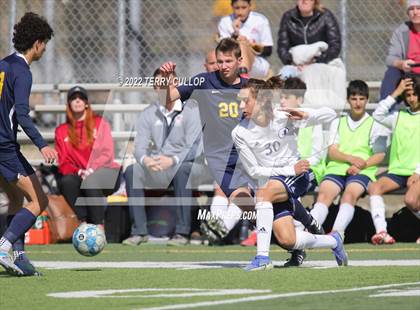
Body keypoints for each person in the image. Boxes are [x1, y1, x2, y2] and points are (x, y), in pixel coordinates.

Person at [232, 78, 347, 270]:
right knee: (288, 240)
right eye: (239, 100)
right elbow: (253, 170)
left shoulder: (283, 116)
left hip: (296, 176)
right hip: (276, 180)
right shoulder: (239, 132)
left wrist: (305, 115)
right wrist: (287, 171)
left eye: (246, 100)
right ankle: (333, 241)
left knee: (263, 193)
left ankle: (262, 259)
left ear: (261, 101)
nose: (241, 105)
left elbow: (330, 114)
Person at [160, 38, 254, 247]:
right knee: (242, 199)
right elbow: (172, 98)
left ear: (239, 61)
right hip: (221, 155)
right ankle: (218, 229)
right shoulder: (204, 81)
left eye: (228, 61)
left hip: (249, 152)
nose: (223, 66)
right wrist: (170, 80)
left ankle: (296, 228)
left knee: (260, 204)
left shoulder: (249, 86)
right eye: (219, 61)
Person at [0, 12, 57, 276]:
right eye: (44, 42)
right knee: (39, 200)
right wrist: (43, 144)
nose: (45, 48)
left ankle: (19, 257)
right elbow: (22, 114)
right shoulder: (23, 72)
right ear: (36, 43)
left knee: (14, 199)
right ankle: (4, 246)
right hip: (4, 147)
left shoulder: (3, 65)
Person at [123, 69, 204, 246]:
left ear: (176, 86)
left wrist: (173, 160)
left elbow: (195, 148)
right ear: (155, 87)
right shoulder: (148, 113)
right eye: (161, 85)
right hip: (158, 166)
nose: (166, 88)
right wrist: (146, 160)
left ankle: (182, 232)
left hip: (187, 165)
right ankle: (139, 231)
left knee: (183, 170)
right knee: (132, 171)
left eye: (169, 84)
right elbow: (139, 147)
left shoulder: (191, 110)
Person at [310, 80, 389, 242]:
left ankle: (337, 234)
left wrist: (362, 165)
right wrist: (351, 159)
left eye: (361, 98)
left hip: (362, 171)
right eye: (354, 98)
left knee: (349, 195)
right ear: (348, 100)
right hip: (337, 168)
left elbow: (379, 154)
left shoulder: (376, 124)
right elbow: (332, 151)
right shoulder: (338, 122)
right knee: (324, 196)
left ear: (367, 100)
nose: (358, 102)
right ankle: (308, 232)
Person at [55, 86, 121, 227]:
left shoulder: (100, 123)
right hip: (80, 174)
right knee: (67, 181)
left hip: (106, 172)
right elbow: (64, 162)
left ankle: (98, 226)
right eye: (73, 98)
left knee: (91, 181)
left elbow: (107, 154)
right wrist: (80, 172)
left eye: (81, 98)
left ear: (86, 103)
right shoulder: (61, 131)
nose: (77, 101)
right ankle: (84, 222)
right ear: (69, 104)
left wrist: (91, 169)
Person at [369, 76, 420, 244]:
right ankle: (382, 232)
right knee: (375, 187)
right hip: (398, 172)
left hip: (417, 172)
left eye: (415, 94)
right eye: (408, 95)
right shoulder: (398, 116)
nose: (412, 98)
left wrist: (417, 172)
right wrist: (396, 92)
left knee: (411, 200)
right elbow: (378, 114)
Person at [218, 0, 273, 79]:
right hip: (231, 62)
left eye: (244, 7)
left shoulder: (260, 20)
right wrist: (235, 34)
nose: (240, 12)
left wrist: (250, 45)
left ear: (250, 6)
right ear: (232, 7)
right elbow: (223, 49)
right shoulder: (225, 22)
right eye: (237, 8)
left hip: (257, 63)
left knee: (242, 44)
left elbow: (268, 51)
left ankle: (242, 79)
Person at [277, 0, 341, 67]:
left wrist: (316, 62)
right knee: (285, 73)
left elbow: (335, 45)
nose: (304, 1)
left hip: (322, 63)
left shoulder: (326, 15)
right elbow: (282, 48)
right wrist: (293, 63)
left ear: (314, 1)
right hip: (296, 64)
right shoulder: (288, 17)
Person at [380, 0, 420, 100]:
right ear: (407, 13)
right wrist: (402, 64)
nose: (415, 12)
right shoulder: (401, 31)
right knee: (392, 72)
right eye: (411, 9)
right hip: (409, 75)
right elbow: (390, 58)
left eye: (418, 8)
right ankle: (386, 109)